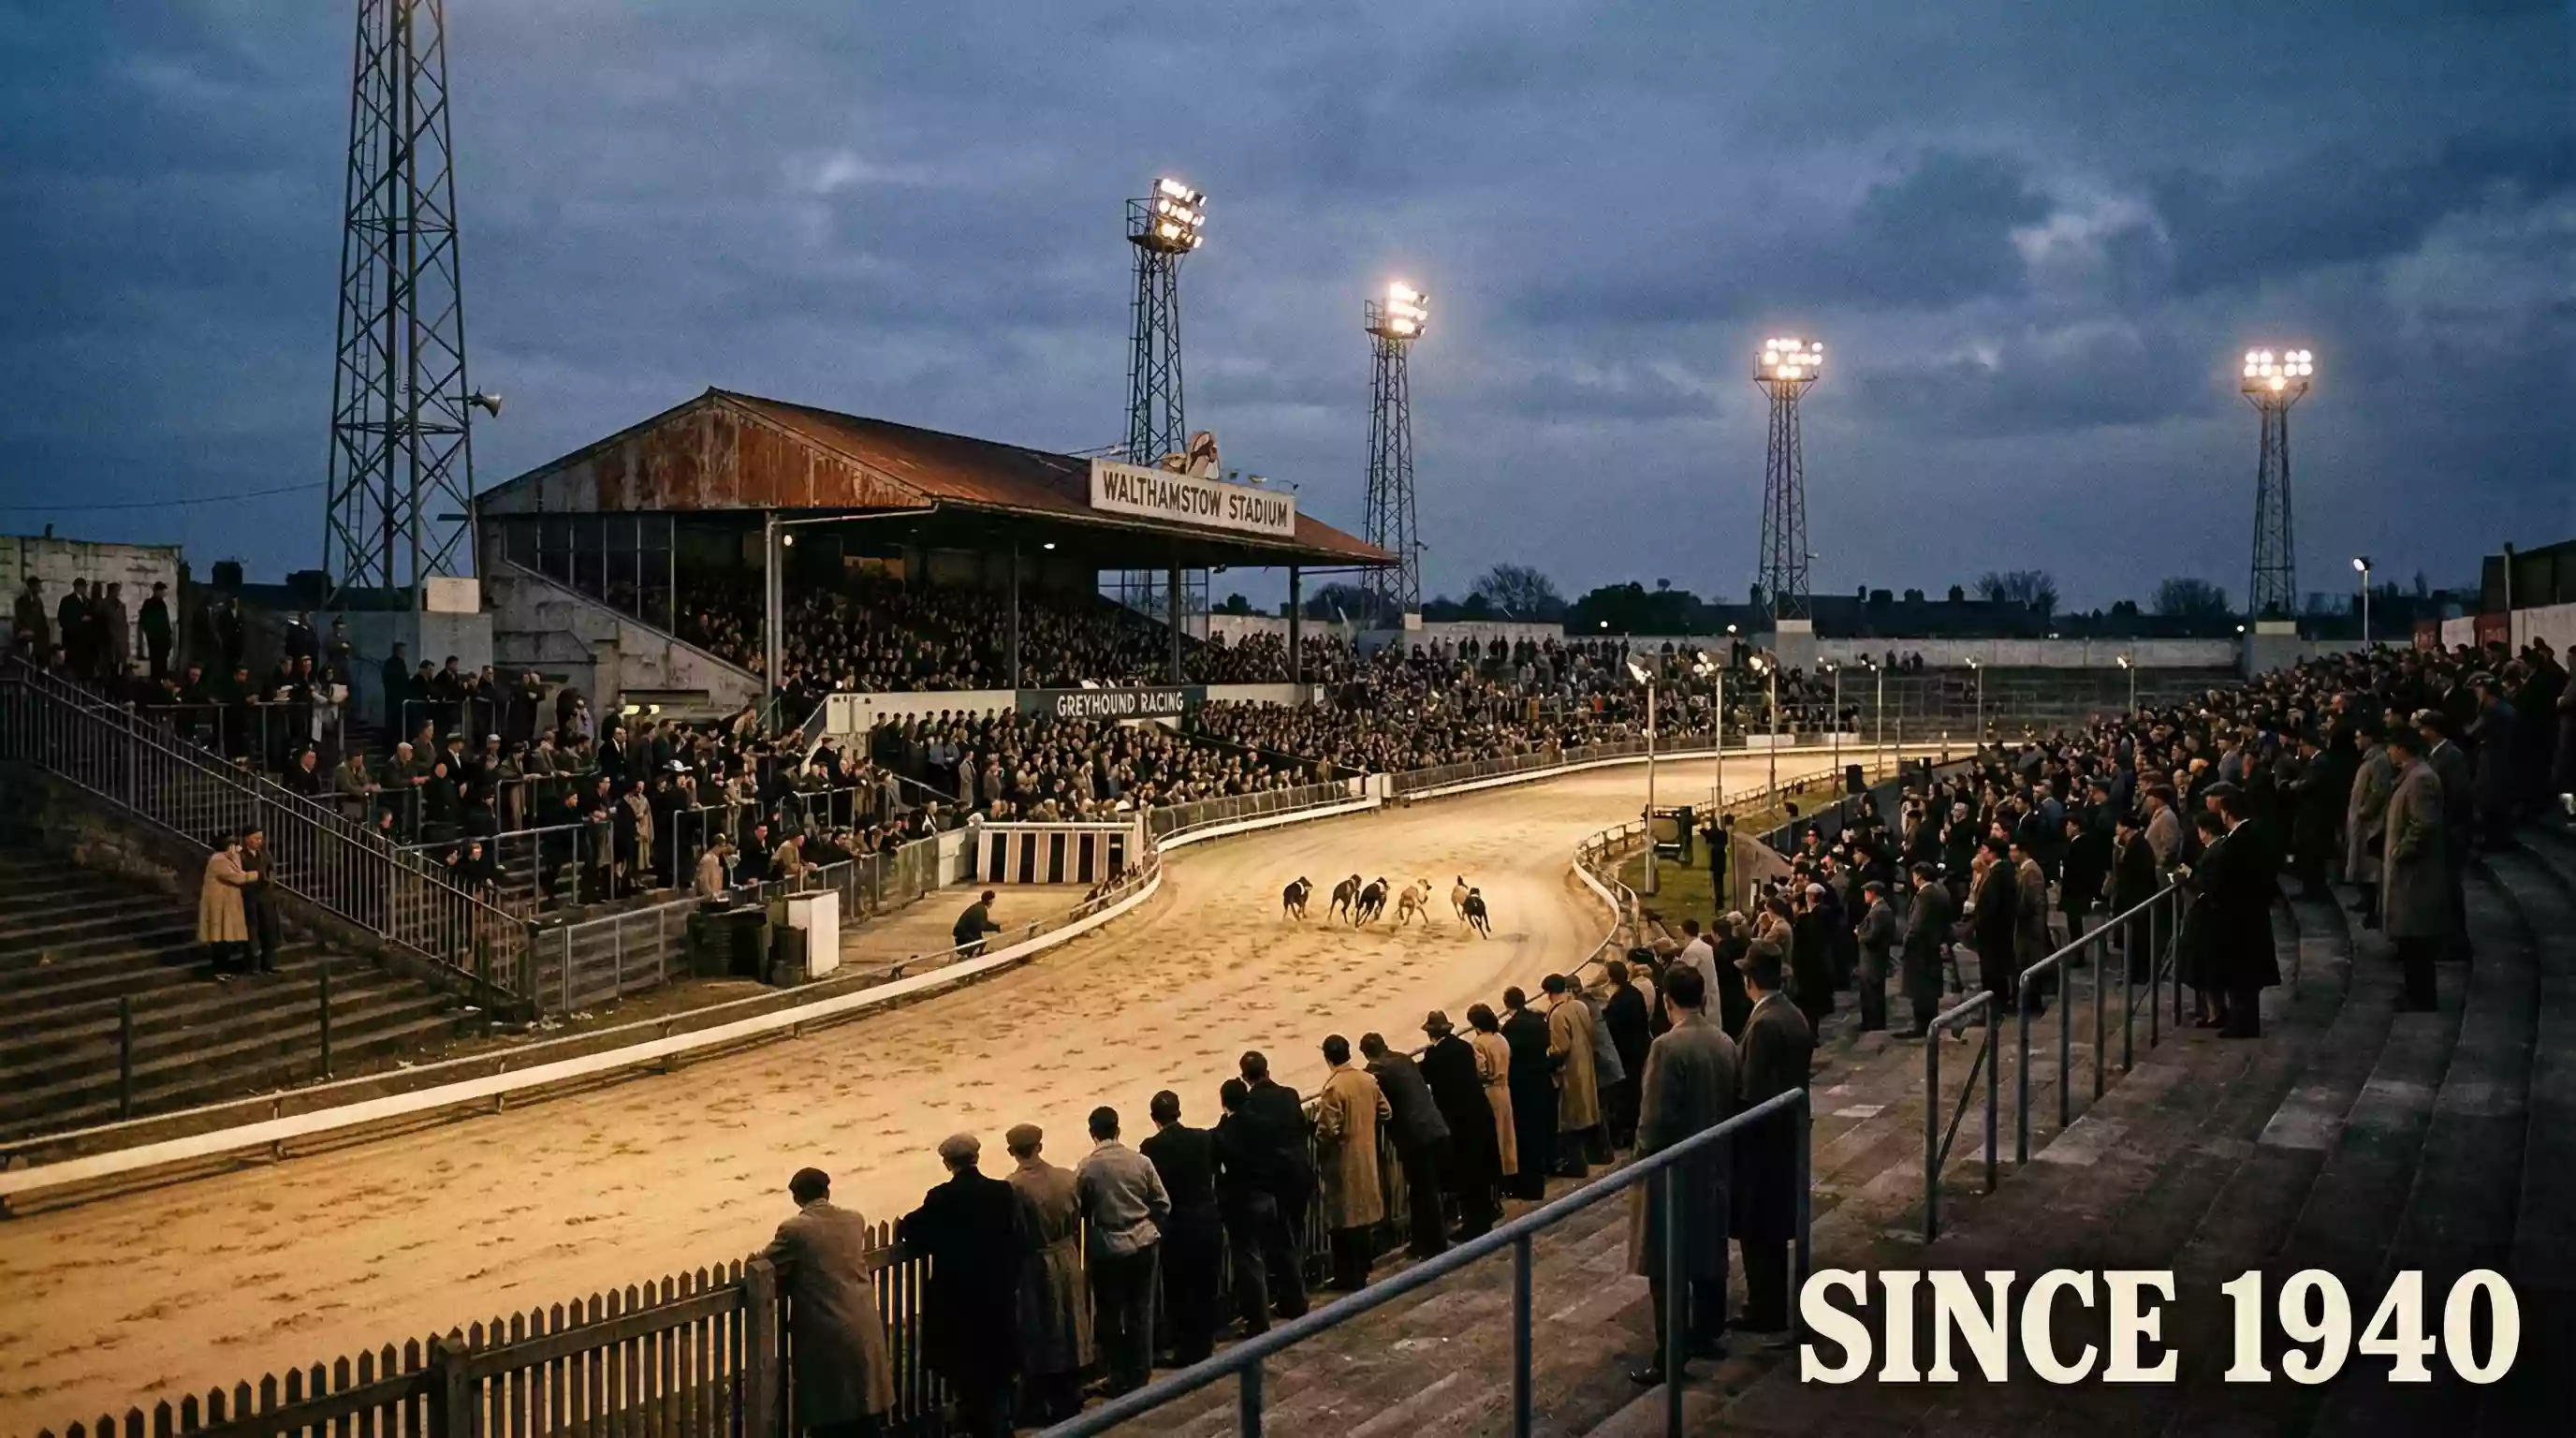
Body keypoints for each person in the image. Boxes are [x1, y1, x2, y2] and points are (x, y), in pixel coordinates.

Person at [1626, 964, 1737, 1386]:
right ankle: (1707, 1333)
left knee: (1667, 1267)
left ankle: (1669, 1354)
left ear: (1668, 1001)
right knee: (1709, 1252)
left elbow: (1652, 1120)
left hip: (1673, 1173)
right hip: (1714, 1164)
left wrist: (1640, 1163)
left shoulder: (1666, 1047)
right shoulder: (1724, 1040)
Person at [895, 1133, 1031, 1438]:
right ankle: (1000, 1425)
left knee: (967, 1370)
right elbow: (1018, 1237)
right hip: (996, 1294)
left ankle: (981, 1427)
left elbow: (912, 1230)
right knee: (996, 1365)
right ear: (977, 1157)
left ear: (947, 1163)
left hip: (958, 1299)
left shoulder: (941, 1197)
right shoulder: (1001, 1192)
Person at [760, 1168, 895, 1438]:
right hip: (862, 1315)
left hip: (825, 1325)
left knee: (829, 1404)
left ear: (797, 1199)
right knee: (863, 1396)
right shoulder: (854, 1220)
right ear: (827, 1191)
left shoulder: (794, 1230)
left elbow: (766, 1263)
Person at [1732, 943, 1813, 1336]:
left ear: (1749, 980)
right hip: (1786, 1134)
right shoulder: (1791, 1012)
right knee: (1773, 1227)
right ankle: (1770, 1301)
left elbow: (1754, 1091)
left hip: (1764, 1143)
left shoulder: (1764, 1024)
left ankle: (1764, 1307)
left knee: (1759, 1228)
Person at [1074, 1106, 1168, 1397]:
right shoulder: (1140, 1161)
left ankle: (1117, 1375)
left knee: (1111, 1315)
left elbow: (1079, 1208)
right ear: (1118, 1130)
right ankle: (1141, 1372)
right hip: (1143, 1242)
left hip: (1109, 1248)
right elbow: (1162, 1203)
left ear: (1093, 1134)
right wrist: (1146, 1224)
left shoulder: (1087, 1167)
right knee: (1141, 1310)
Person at [1002, 1124, 1090, 1425]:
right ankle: (1071, 1393)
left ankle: (1040, 1402)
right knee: (1070, 1325)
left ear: (1012, 1151)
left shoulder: (1013, 1186)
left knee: (1040, 1330)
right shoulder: (1066, 1177)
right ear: (1040, 1145)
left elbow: (1013, 1231)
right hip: (1067, 1254)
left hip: (1035, 1262)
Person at [1139, 1091, 1222, 1368]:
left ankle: (1187, 1348)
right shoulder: (1202, 1138)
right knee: (1206, 1283)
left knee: (1180, 1288)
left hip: (1178, 1224)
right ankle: (1205, 1340)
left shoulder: (1151, 1147)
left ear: (1154, 1118)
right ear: (1179, 1111)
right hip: (1208, 1218)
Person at [1211, 1078, 1292, 1337]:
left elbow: (1219, 1165)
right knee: (1281, 1249)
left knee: (1249, 1261)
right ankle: (1295, 1301)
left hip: (1244, 1201)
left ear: (1224, 1103)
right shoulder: (1264, 1122)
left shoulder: (1226, 1131)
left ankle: (1258, 1321)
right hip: (1269, 1195)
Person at [1235, 1051, 1312, 1319]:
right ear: (1267, 1071)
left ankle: (1293, 1300)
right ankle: (1295, 1293)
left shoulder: (1249, 1104)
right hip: (1300, 1172)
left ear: (1245, 1077)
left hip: (1274, 1182)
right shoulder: (1290, 1095)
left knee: (1281, 1244)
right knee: (1294, 1237)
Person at [1360, 1032, 1451, 1259]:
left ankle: (1435, 1245)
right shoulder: (1403, 1058)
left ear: (1366, 1054)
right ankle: (1423, 1242)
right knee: (1423, 1190)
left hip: (1414, 1136)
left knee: (1424, 1191)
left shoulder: (1376, 1069)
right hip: (1433, 1126)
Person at [2201, 786, 2280, 1039]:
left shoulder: (2238, 841)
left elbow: (2230, 881)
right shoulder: (2254, 833)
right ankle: (2243, 1020)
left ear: (2226, 813)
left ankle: (2242, 1023)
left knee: (2241, 973)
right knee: (2245, 974)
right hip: (2250, 913)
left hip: (2240, 916)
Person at [1313, 1034, 1391, 1290]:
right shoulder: (1367, 1079)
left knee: (1344, 1220)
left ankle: (1349, 1276)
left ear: (1328, 1058)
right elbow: (1385, 1111)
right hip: (1367, 1154)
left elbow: (1327, 1130)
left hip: (1343, 1161)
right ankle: (1363, 1267)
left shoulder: (1333, 1087)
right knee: (1364, 1216)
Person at [2379, 726, 2448, 1013]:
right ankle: (2413, 991)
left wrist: (2401, 851)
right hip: (2408, 873)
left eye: (2392, 746)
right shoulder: (2413, 775)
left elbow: (2424, 824)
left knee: (2416, 940)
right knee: (2409, 940)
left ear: (2402, 748)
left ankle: (2421, 996)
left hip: (2416, 874)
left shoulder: (2421, 779)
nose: (2389, 752)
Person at [1418, 1010, 1500, 1240]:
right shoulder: (1464, 1047)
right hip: (1478, 1112)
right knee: (1480, 1168)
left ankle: (1475, 1225)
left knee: (1467, 1172)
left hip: (1458, 1120)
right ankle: (1485, 1213)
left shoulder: (1434, 1055)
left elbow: (1425, 1076)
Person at [1544, 973, 1603, 1178]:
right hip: (1585, 1061)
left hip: (1570, 1070)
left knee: (1571, 1118)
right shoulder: (1580, 1005)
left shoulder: (1557, 1014)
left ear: (1549, 993)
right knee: (1587, 1113)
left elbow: (1560, 1047)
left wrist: (1548, 1054)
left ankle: (1577, 1165)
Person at [1500, 987, 1555, 1198]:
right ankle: (1540, 1177)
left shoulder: (1511, 1027)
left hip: (1523, 1086)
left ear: (1506, 1004)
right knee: (1540, 1132)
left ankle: (1530, 1187)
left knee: (1526, 1137)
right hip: (1542, 1079)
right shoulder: (1537, 1020)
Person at [1463, 1004, 1519, 1196]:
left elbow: (1480, 1070)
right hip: (1505, 1088)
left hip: (1490, 1091)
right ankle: (1511, 1179)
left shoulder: (1478, 1043)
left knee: (1495, 1137)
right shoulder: (1501, 1038)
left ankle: (1500, 1184)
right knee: (1508, 1136)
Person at [1599, 961, 1653, 1148]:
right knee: (1636, 1091)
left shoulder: (1618, 1000)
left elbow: (1612, 1027)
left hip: (1626, 1052)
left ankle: (1628, 1134)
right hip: (1639, 1048)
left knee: (1626, 1095)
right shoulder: (1634, 993)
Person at [1897, 864, 1952, 1037]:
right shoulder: (1940, 891)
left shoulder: (1925, 895)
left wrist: (1906, 943)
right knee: (1929, 990)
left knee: (1920, 989)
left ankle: (1922, 1026)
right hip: (1933, 946)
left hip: (1920, 950)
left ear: (1919, 876)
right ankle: (1929, 1023)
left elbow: (1916, 925)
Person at [198, 831, 252, 976]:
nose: (236, 849)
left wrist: (237, 855)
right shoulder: (218, 860)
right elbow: (238, 877)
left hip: (226, 905)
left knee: (225, 939)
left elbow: (238, 868)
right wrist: (256, 875)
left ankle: (223, 969)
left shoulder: (229, 858)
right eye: (232, 846)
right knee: (220, 940)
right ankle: (219, 970)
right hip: (218, 906)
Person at [1854, 881, 1896, 1034]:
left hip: (1873, 959)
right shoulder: (1880, 909)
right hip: (1873, 958)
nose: (1864, 895)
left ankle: (1873, 1024)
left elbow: (1872, 935)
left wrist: (1859, 933)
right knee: (1871, 992)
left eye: (1866, 892)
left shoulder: (1879, 911)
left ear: (1872, 893)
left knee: (1872, 992)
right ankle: (1871, 1022)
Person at [238, 825, 279, 976]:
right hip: (249, 896)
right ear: (247, 839)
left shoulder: (264, 853)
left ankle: (268, 963)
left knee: (268, 929)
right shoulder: (240, 855)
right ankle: (253, 964)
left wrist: (270, 880)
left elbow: (272, 869)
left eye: (260, 838)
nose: (259, 841)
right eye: (256, 838)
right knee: (252, 931)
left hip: (266, 896)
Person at [953, 889, 1003, 957]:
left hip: (963, 931)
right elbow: (982, 925)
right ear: (990, 900)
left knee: (980, 940)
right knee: (980, 942)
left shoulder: (979, 906)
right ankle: (974, 957)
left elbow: (979, 925)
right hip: (962, 933)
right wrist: (996, 927)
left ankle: (971, 955)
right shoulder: (981, 909)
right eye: (993, 900)